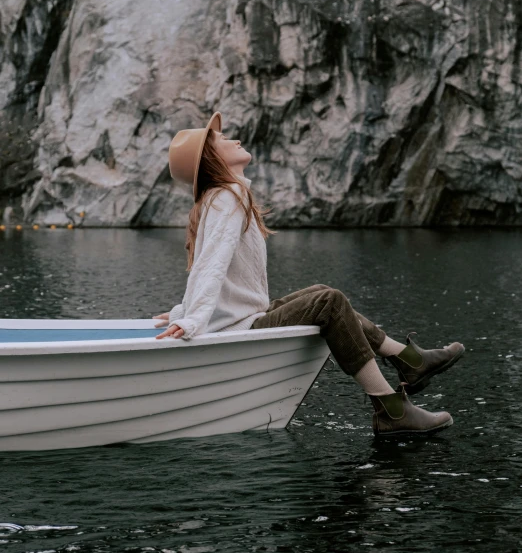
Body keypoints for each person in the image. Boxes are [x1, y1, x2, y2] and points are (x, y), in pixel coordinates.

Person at [153, 111, 464, 437]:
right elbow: (211, 264)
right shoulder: (227, 197)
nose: (235, 139)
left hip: (243, 315)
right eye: (222, 140)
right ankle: (390, 408)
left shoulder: (223, 196)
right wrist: (190, 318)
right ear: (212, 158)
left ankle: (409, 360)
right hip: (240, 323)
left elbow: (208, 264)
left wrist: (185, 311)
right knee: (328, 302)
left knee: (321, 291)